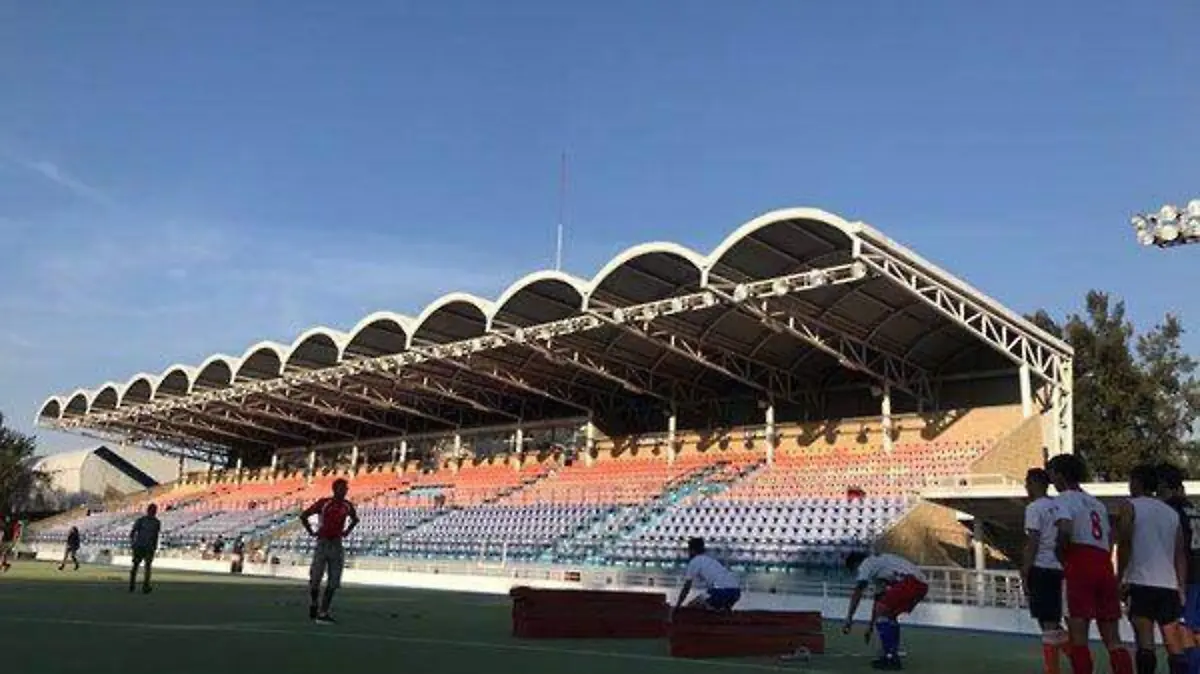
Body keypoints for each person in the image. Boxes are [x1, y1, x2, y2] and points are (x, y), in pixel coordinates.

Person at [1045, 453, 1133, 674]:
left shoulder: (1063, 499)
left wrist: (1061, 554)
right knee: (1113, 639)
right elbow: (1109, 537)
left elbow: (1065, 529)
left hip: (1079, 563)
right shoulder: (1097, 504)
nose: (1052, 481)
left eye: (1052, 475)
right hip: (1103, 564)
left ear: (1061, 475)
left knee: (1079, 639)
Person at [1116, 464, 1188, 674]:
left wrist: (1120, 576)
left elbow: (1125, 542)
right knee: (1173, 642)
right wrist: (1181, 586)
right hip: (1168, 584)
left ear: (1137, 483)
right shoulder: (1170, 512)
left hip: (1141, 581)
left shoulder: (1130, 506)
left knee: (1145, 642)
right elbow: (1180, 553)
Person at [843, 551, 929, 671]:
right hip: (921, 586)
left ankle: (891, 658)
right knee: (889, 615)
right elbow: (879, 601)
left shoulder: (866, 563)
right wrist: (871, 627)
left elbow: (858, 592)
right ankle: (891, 655)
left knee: (884, 613)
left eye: (854, 570)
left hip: (912, 582)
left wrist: (849, 618)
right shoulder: (880, 567)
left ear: (856, 563)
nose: (858, 573)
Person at [1023, 468, 1068, 674]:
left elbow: (1033, 540)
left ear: (1035, 483)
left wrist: (1026, 569)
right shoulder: (1058, 505)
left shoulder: (1034, 508)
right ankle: (1077, 658)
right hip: (1058, 568)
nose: (1026, 488)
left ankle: (1055, 669)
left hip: (1042, 568)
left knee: (1048, 624)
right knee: (1051, 621)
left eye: (1028, 483)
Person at [1157, 463, 1200, 674]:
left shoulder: (1169, 510)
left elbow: (1176, 546)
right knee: (1195, 628)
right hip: (1197, 572)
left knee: (1181, 629)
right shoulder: (1192, 507)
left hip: (1185, 576)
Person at [300, 478, 359, 624]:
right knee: (315, 577)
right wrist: (311, 532)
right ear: (335, 489)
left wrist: (346, 532)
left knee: (334, 580)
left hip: (337, 544)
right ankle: (314, 602)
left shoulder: (347, 505)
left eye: (346, 488)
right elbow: (304, 515)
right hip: (323, 543)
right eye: (343, 488)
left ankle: (323, 612)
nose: (345, 491)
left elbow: (355, 519)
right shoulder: (324, 503)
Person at [672, 538, 741, 615]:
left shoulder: (694, 561)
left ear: (692, 550)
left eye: (688, 550)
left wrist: (678, 605)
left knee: (691, 607)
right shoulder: (710, 559)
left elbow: (686, 587)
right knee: (714, 607)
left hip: (720, 592)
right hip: (736, 592)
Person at [129, 504, 161, 594]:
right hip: (141, 546)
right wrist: (133, 543)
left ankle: (144, 586)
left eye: (154, 510)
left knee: (145, 566)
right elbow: (133, 532)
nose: (153, 512)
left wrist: (154, 546)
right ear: (148, 510)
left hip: (147, 547)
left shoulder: (156, 522)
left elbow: (156, 535)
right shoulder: (142, 520)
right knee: (138, 566)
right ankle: (133, 585)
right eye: (152, 510)